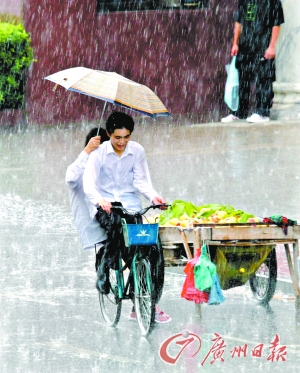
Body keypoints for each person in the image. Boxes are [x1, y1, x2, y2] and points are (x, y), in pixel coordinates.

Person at [83, 111, 171, 323]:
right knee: (116, 229)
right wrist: (100, 200)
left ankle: (144, 300)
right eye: (117, 137)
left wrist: (154, 197)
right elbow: (88, 184)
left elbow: (141, 181)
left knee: (150, 247)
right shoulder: (98, 153)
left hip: (130, 205)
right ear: (108, 134)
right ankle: (104, 268)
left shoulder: (137, 151)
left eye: (126, 137)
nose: (122, 142)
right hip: (105, 206)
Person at [222, 0, 284, 124]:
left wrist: (272, 46)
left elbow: (276, 24)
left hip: (263, 45)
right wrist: (235, 43)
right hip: (246, 44)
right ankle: (239, 112)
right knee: (243, 80)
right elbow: (239, 21)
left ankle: (263, 112)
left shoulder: (273, 2)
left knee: (264, 78)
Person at [65, 127, 109, 257]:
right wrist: (88, 150)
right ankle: (102, 275)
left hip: (110, 220)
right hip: (94, 225)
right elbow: (70, 179)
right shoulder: (79, 169)